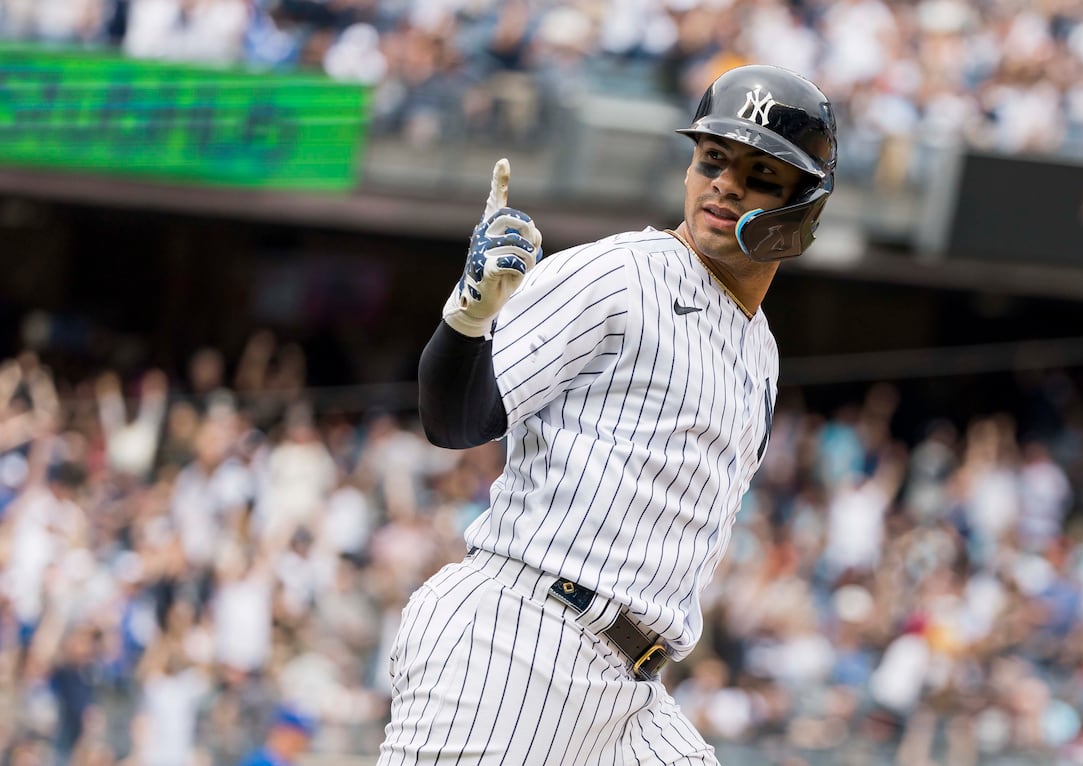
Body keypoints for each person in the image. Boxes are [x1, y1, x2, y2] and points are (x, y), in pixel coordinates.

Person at [376, 63, 837, 765]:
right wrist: (468, 318)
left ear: (805, 208)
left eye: (760, 175)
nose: (725, 185)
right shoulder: (623, 275)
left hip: (629, 689)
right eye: (712, 160)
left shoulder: (761, 354)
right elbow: (455, 422)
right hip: (520, 640)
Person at [237, 706, 316, 766]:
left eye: (303, 741)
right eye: (296, 740)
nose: (300, 746)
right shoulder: (256, 763)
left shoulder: (287, 762)